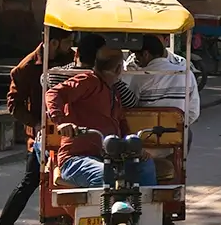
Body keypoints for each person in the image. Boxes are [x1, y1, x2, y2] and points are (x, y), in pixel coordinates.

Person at [0, 30, 72, 225]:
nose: (71, 46)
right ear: (53, 42)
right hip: (41, 137)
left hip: (69, 133)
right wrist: (37, 124)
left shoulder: (72, 60)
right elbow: (14, 105)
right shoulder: (26, 68)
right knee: (31, 181)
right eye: (68, 42)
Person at [45, 35, 155, 189]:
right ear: (118, 69)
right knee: (106, 174)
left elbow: (122, 123)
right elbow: (53, 94)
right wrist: (61, 122)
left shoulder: (113, 91)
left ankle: (144, 210)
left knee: (146, 164)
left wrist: (135, 148)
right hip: (77, 159)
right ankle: (104, 212)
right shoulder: (87, 81)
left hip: (109, 156)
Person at [125, 34, 201, 130]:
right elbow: (193, 112)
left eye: (137, 57)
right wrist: (179, 127)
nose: (137, 61)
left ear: (145, 54)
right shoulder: (187, 74)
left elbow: (131, 105)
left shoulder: (140, 77)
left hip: (146, 132)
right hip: (177, 133)